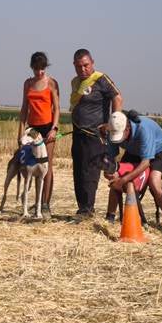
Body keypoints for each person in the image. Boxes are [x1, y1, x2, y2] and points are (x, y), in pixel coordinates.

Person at [103, 111, 162, 234]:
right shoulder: (112, 130)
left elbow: (146, 163)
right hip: (134, 150)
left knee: (154, 182)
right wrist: (109, 172)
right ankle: (109, 217)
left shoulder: (143, 130)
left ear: (127, 128)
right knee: (115, 177)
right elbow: (111, 159)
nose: (118, 138)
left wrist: (123, 181)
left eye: (120, 135)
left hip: (159, 150)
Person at [69, 48, 122, 219]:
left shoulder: (101, 79)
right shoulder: (75, 82)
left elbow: (117, 98)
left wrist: (112, 122)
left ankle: (88, 209)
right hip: (78, 133)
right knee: (78, 171)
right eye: (78, 66)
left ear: (92, 63)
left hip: (95, 135)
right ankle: (82, 208)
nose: (82, 69)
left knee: (90, 171)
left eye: (85, 65)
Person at [17, 52, 61, 214]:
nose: (39, 72)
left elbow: (57, 109)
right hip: (32, 129)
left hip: (47, 127)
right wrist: (21, 131)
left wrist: (54, 128)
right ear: (32, 68)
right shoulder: (27, 83)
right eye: (36, 69)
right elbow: (24, 108)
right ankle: (33, 202)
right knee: (31, 164)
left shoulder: (51, 83)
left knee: (46, 165)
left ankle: (45, 203)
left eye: (42, 68)